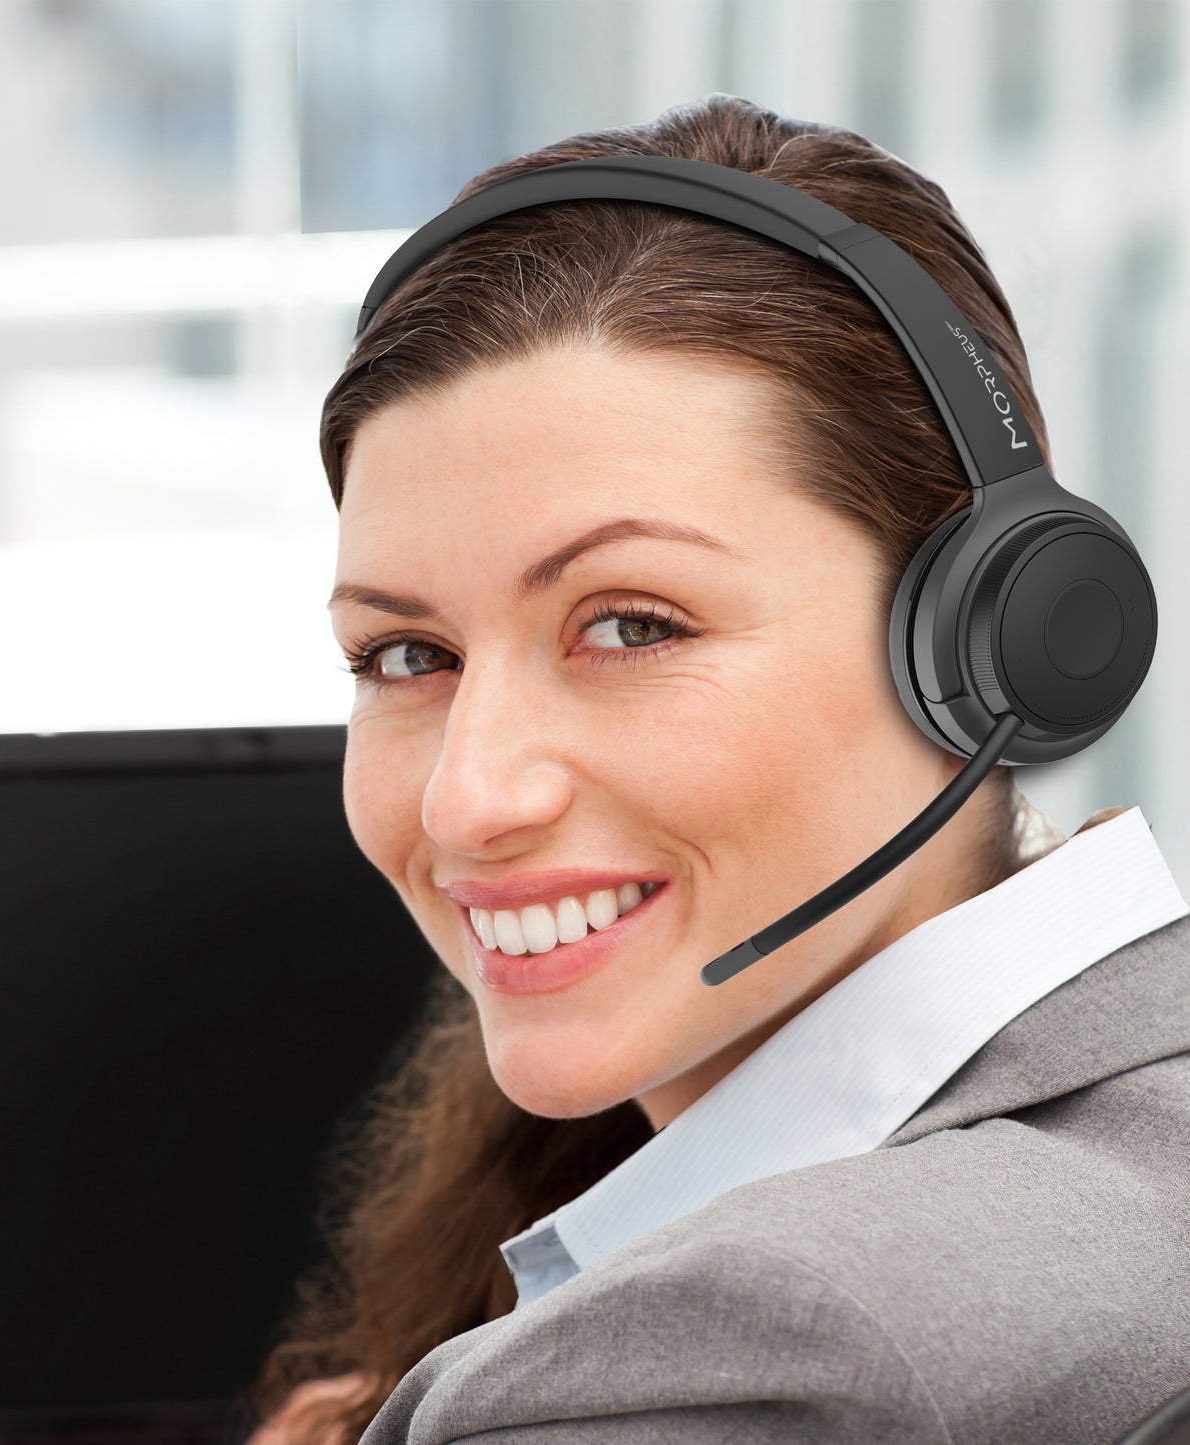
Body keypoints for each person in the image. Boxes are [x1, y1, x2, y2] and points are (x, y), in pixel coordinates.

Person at [236, 91, 1190, 1445]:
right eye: (402, 654)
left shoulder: (751, 1345)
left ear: (995, 644)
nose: (465, 797)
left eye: (630, 624)